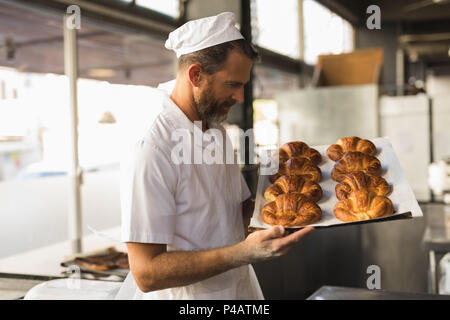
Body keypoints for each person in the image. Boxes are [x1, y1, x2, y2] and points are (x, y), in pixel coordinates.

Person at [115, 12, 314, 300]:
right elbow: (146, 272)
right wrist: (242, 252)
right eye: (233, 84)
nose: (241, 98)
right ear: (196, 75)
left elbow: (236, 212)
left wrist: (289, 197)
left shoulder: (215, 129)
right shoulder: (152, 145)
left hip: (237, 291)